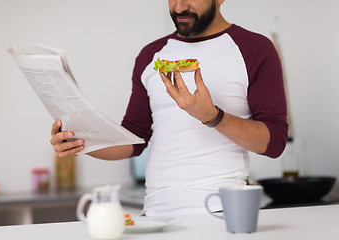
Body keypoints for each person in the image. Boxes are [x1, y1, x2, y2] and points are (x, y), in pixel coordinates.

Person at [50, 0, 288, 216]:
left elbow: (275, 142)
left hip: (222, 211)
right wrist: (80, 142)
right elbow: (134, 139)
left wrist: (212, 117)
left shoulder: (255, 49)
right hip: (155, 214)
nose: (179, 7)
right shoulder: (150, 56)